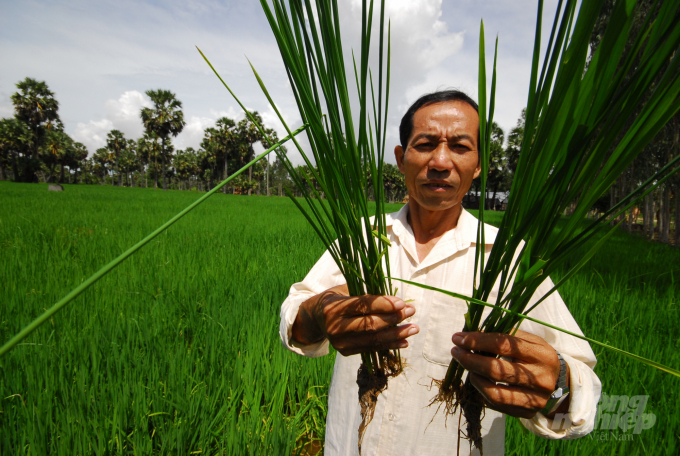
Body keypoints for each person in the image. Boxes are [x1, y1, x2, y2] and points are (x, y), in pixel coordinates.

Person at [279, 90, 601, 456]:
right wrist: (319, 311)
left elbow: (581, 388)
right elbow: (295, 318)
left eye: (460, 147)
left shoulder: (510, 257)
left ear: (478, 164)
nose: (441, 161)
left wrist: (558, 385)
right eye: (426, 144)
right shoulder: (361, 239)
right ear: (401, 159)